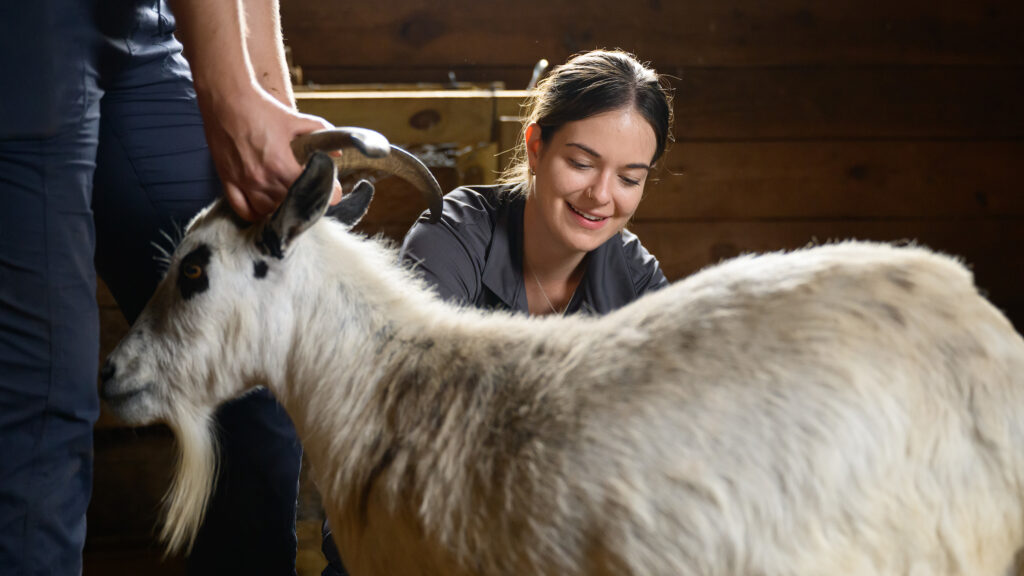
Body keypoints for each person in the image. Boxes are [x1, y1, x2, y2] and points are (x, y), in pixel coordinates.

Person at [0, 1, 337, 574]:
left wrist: (269, 102)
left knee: (251, 356)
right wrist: (229, 93)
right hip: (22, 29)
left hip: (146, 23)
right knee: (45, 401)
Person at [320, 48, 673, 575]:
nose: (601, 196)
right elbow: (426, 440)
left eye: (630, 178)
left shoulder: (639, 281)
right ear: (535, 147)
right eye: (581, 163)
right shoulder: (451, 237)